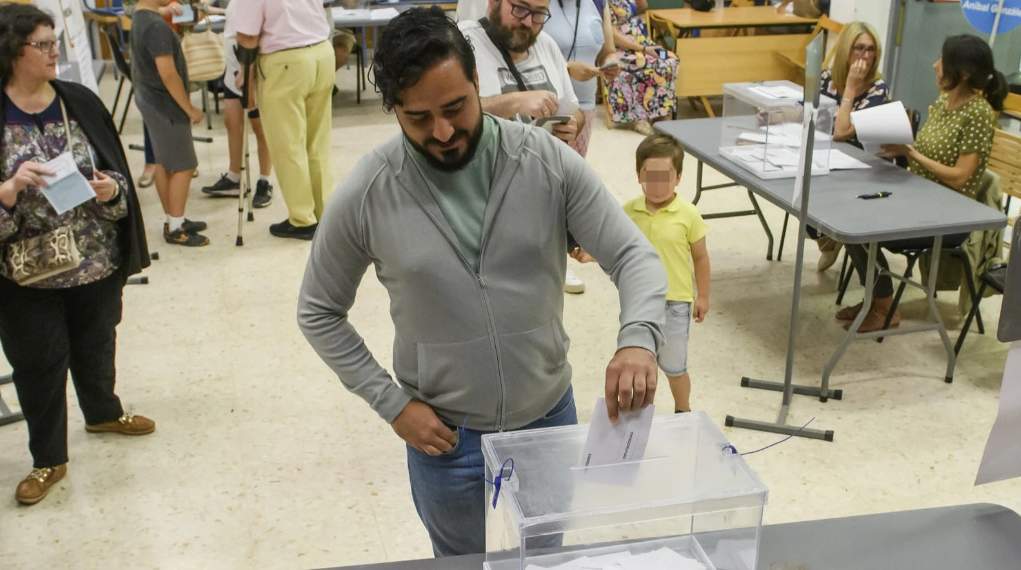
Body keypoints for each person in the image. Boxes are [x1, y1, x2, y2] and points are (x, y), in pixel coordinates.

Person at [298, 8, 667, 557]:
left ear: (477, 82)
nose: (443, 132)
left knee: (544, 558)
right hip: (447, 443)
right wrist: (392, 404)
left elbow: (635, 256)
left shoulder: (544, 162)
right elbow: (318, 310)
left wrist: (638, 339)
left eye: (455, 108)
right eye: (419, 118)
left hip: (546, 424)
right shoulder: (370, 191)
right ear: (394, 110)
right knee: (462, 563)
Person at [0, 4, 155, 506]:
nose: (55, 53)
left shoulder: (79, 101)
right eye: (43, 45)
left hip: (94, 258)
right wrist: (9, 190)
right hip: (26, 274)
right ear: (13, 51)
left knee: (97, 341)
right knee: (38, 363)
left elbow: (117, 175)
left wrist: (111, 190)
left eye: (55, 43)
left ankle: (103, 412)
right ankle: (48, 458)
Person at [839, 34, 1007, 333]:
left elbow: (961, 177)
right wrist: (899, 146)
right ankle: (875, 300)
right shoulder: (943, 101)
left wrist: (911, 152)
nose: (935, 65)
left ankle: (883, 306)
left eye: (943, 60)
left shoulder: (978, 113)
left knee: (862, 227)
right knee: (847, 211)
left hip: (950, 214)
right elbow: (926, 152)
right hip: (918, 195)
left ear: (962, 73)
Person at [459, 0, 590, 294]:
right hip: (482, 212)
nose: (529, 21)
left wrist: (573, 123)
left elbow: (574, 110)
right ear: (493, 3)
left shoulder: (547, 46)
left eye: (540, 13)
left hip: (541, 205)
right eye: (520, 8)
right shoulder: (463, 42)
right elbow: (447, 115)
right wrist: (513, 102)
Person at [573, 134, 709, 412]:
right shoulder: (628, 212)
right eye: (650, 176)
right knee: (639, 366)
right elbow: (614, 246)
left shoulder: (689, 215)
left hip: (675, 303)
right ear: (638, 176)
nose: (657, 185)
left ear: (678, 177)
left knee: (674, 367)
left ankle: (683, 410)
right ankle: (640, 418)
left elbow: (700, 257)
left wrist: (703, 296)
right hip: (639, 302)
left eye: (665, 177)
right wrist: (589, 254)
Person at [235, 0, 335, 241]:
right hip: (322, 54)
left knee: (288, 145)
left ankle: (303, 220)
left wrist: (246, 77)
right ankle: (326, 214)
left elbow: (248, 37)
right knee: (317, 143)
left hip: (286, 62)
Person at [130, 0, 209, 246]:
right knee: (185, 165)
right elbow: (168, 73)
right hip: (166, 104)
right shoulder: (156, 27)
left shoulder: (140, 16)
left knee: (163, 162)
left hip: (149, 98)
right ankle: (176, 228)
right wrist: (189, 108)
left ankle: (174, 218)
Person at [813, 21, 889, 272]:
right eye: (859, 48)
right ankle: (827, 239)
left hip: (864, 167)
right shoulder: (827, 78)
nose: (865, 55)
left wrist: (851, 88)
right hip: (828, 159)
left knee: (841, 209)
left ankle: (836, 239)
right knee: (802, 194)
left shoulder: (877, 88)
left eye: (871, 49)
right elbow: (813, 116)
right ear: (846, 50)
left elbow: (841, 132)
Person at [200, 0, 274, 208]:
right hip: (232, 70)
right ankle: (234, 177)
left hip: (250, 70)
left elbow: (254, 35)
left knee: (260, 129)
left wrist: (248, 73)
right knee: (231, 122)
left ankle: (265, 180)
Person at [545, 0, 620, 156]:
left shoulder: (599, 3)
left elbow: (608, 51)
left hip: (586, 107)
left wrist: (610, 64)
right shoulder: (537, 4)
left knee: (575, 168)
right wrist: (566, 68)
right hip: (547, 108)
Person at [606, 0, 678, 135]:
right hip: (622, 49)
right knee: (642, 64)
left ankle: (661, 113)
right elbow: (611, 35)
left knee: (670, 59)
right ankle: (639, 118)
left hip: (645, 44)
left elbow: (643, 6)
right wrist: (642, 49)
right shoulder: (602, 3)